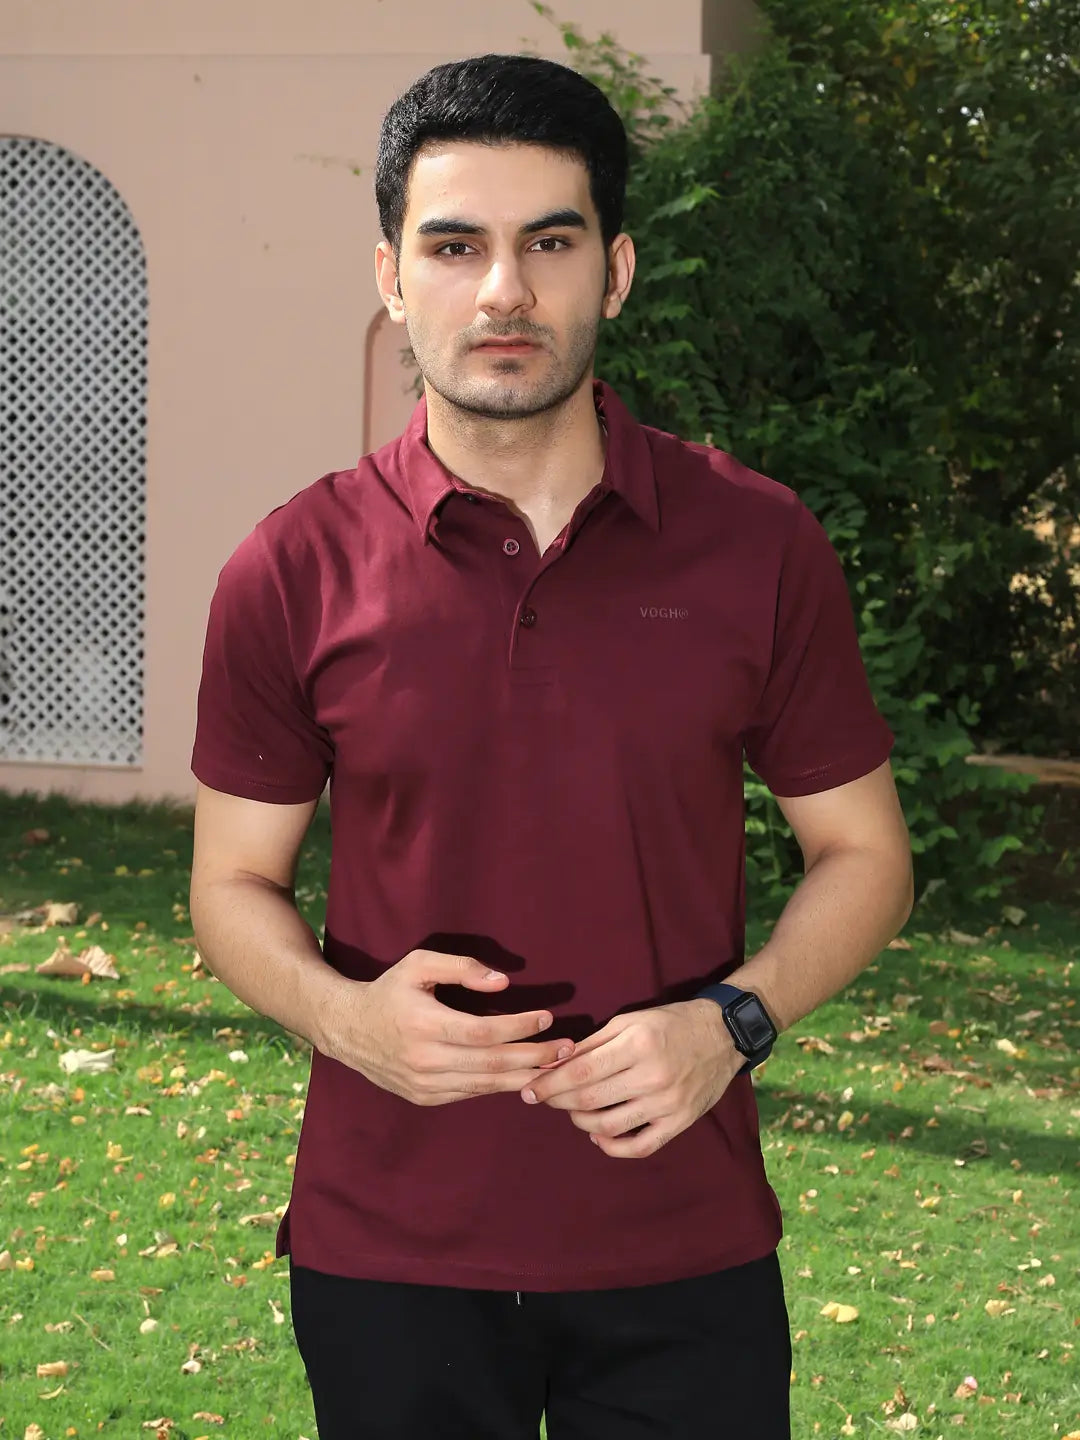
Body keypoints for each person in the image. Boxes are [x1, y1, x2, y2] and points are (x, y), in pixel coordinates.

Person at [188, 52, 914, 1440]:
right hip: (389, 1255)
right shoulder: (292, 569)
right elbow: (229, 885)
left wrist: (734, 1023)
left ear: (618, 271)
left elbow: (864, 854)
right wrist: (348, 1020)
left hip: (682, 1250)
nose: (503, 291)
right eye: (454, 247)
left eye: (550, 243)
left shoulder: (756, 543)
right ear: (393, 278)